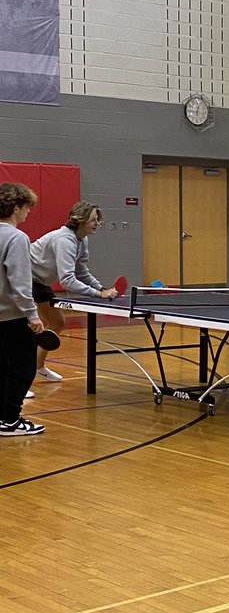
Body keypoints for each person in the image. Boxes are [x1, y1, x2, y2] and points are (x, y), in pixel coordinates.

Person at [30, 201, 119, 382]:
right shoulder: (65, 240)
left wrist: (101, 288)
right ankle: (20, 382)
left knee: (57, 322)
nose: (97, 224)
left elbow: (81, 272)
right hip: (22, 279)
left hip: (39, 282)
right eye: (93, 220)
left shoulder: (81, 240)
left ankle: (38, 366)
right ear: (80, 220)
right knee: (23, 330)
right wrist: (96, 294)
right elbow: (67, 280)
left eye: (98, 220)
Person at [0, 183, 45, 436]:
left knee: (2, 368)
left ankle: (2, 417)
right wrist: (32, 314)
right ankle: (10, 420)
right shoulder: (16, 238)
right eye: (27, 207)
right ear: (16, 207)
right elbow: (19, 280)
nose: (28, 213)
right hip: (13, 316)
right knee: (22, 369)